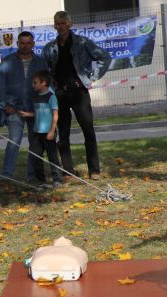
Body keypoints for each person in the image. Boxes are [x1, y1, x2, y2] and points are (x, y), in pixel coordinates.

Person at [43, 10, 111, 181]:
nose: (60, 27)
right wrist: (51, 83)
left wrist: (90, 78)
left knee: (88, 130)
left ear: (70, 24)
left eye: (63, 23)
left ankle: (94, 170)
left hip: (79, 92)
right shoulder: (50, 48)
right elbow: (45, 71)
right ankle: (68, 171)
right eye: (57, 24)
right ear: (54, 26)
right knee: (63, 133)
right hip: (60, 94)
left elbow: (105, 57)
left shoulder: (82, 42)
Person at [0, 31, 49, 181]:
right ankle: (7, 175)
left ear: (33, 44)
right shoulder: (7, 61)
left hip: (35, 109)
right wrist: (4, 104)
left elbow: (46, 85)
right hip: (14, 108)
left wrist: (43, 105)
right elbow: (0, 86)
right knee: (14, 141)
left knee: (35, 143)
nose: (25, 46)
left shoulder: (40, 62)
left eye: (28, 43)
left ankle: (32, 176)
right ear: (17, 44)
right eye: (22, 43)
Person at [19, 70, 63, 188]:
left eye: (35, 82)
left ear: (43, 83)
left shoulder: (51, 97)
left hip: (48, 132)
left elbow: (55, 114)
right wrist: (28, 114)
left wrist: (52, 131)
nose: (33, 85)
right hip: (37, 133)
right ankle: (41, 180)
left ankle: (57, 179)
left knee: (52, 157)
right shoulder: (35, 98)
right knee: (36, 156)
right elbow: (38, 113)